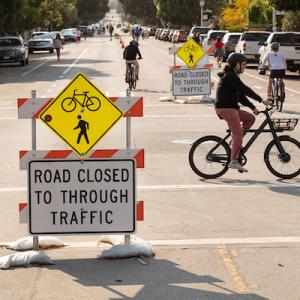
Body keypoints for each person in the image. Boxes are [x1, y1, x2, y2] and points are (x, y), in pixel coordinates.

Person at [215, 52, 269, 172]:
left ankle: (233, 142)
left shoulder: (233, 76)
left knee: (250, 118)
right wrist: (260, 100)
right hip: (226, 109)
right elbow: (245, 89)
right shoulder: (230, 76)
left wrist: (252, 107)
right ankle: (233, 160)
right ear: (236, 64)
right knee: (238, 133)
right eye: (243, 64)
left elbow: (240, 96)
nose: (244, 67)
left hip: (231, 108)